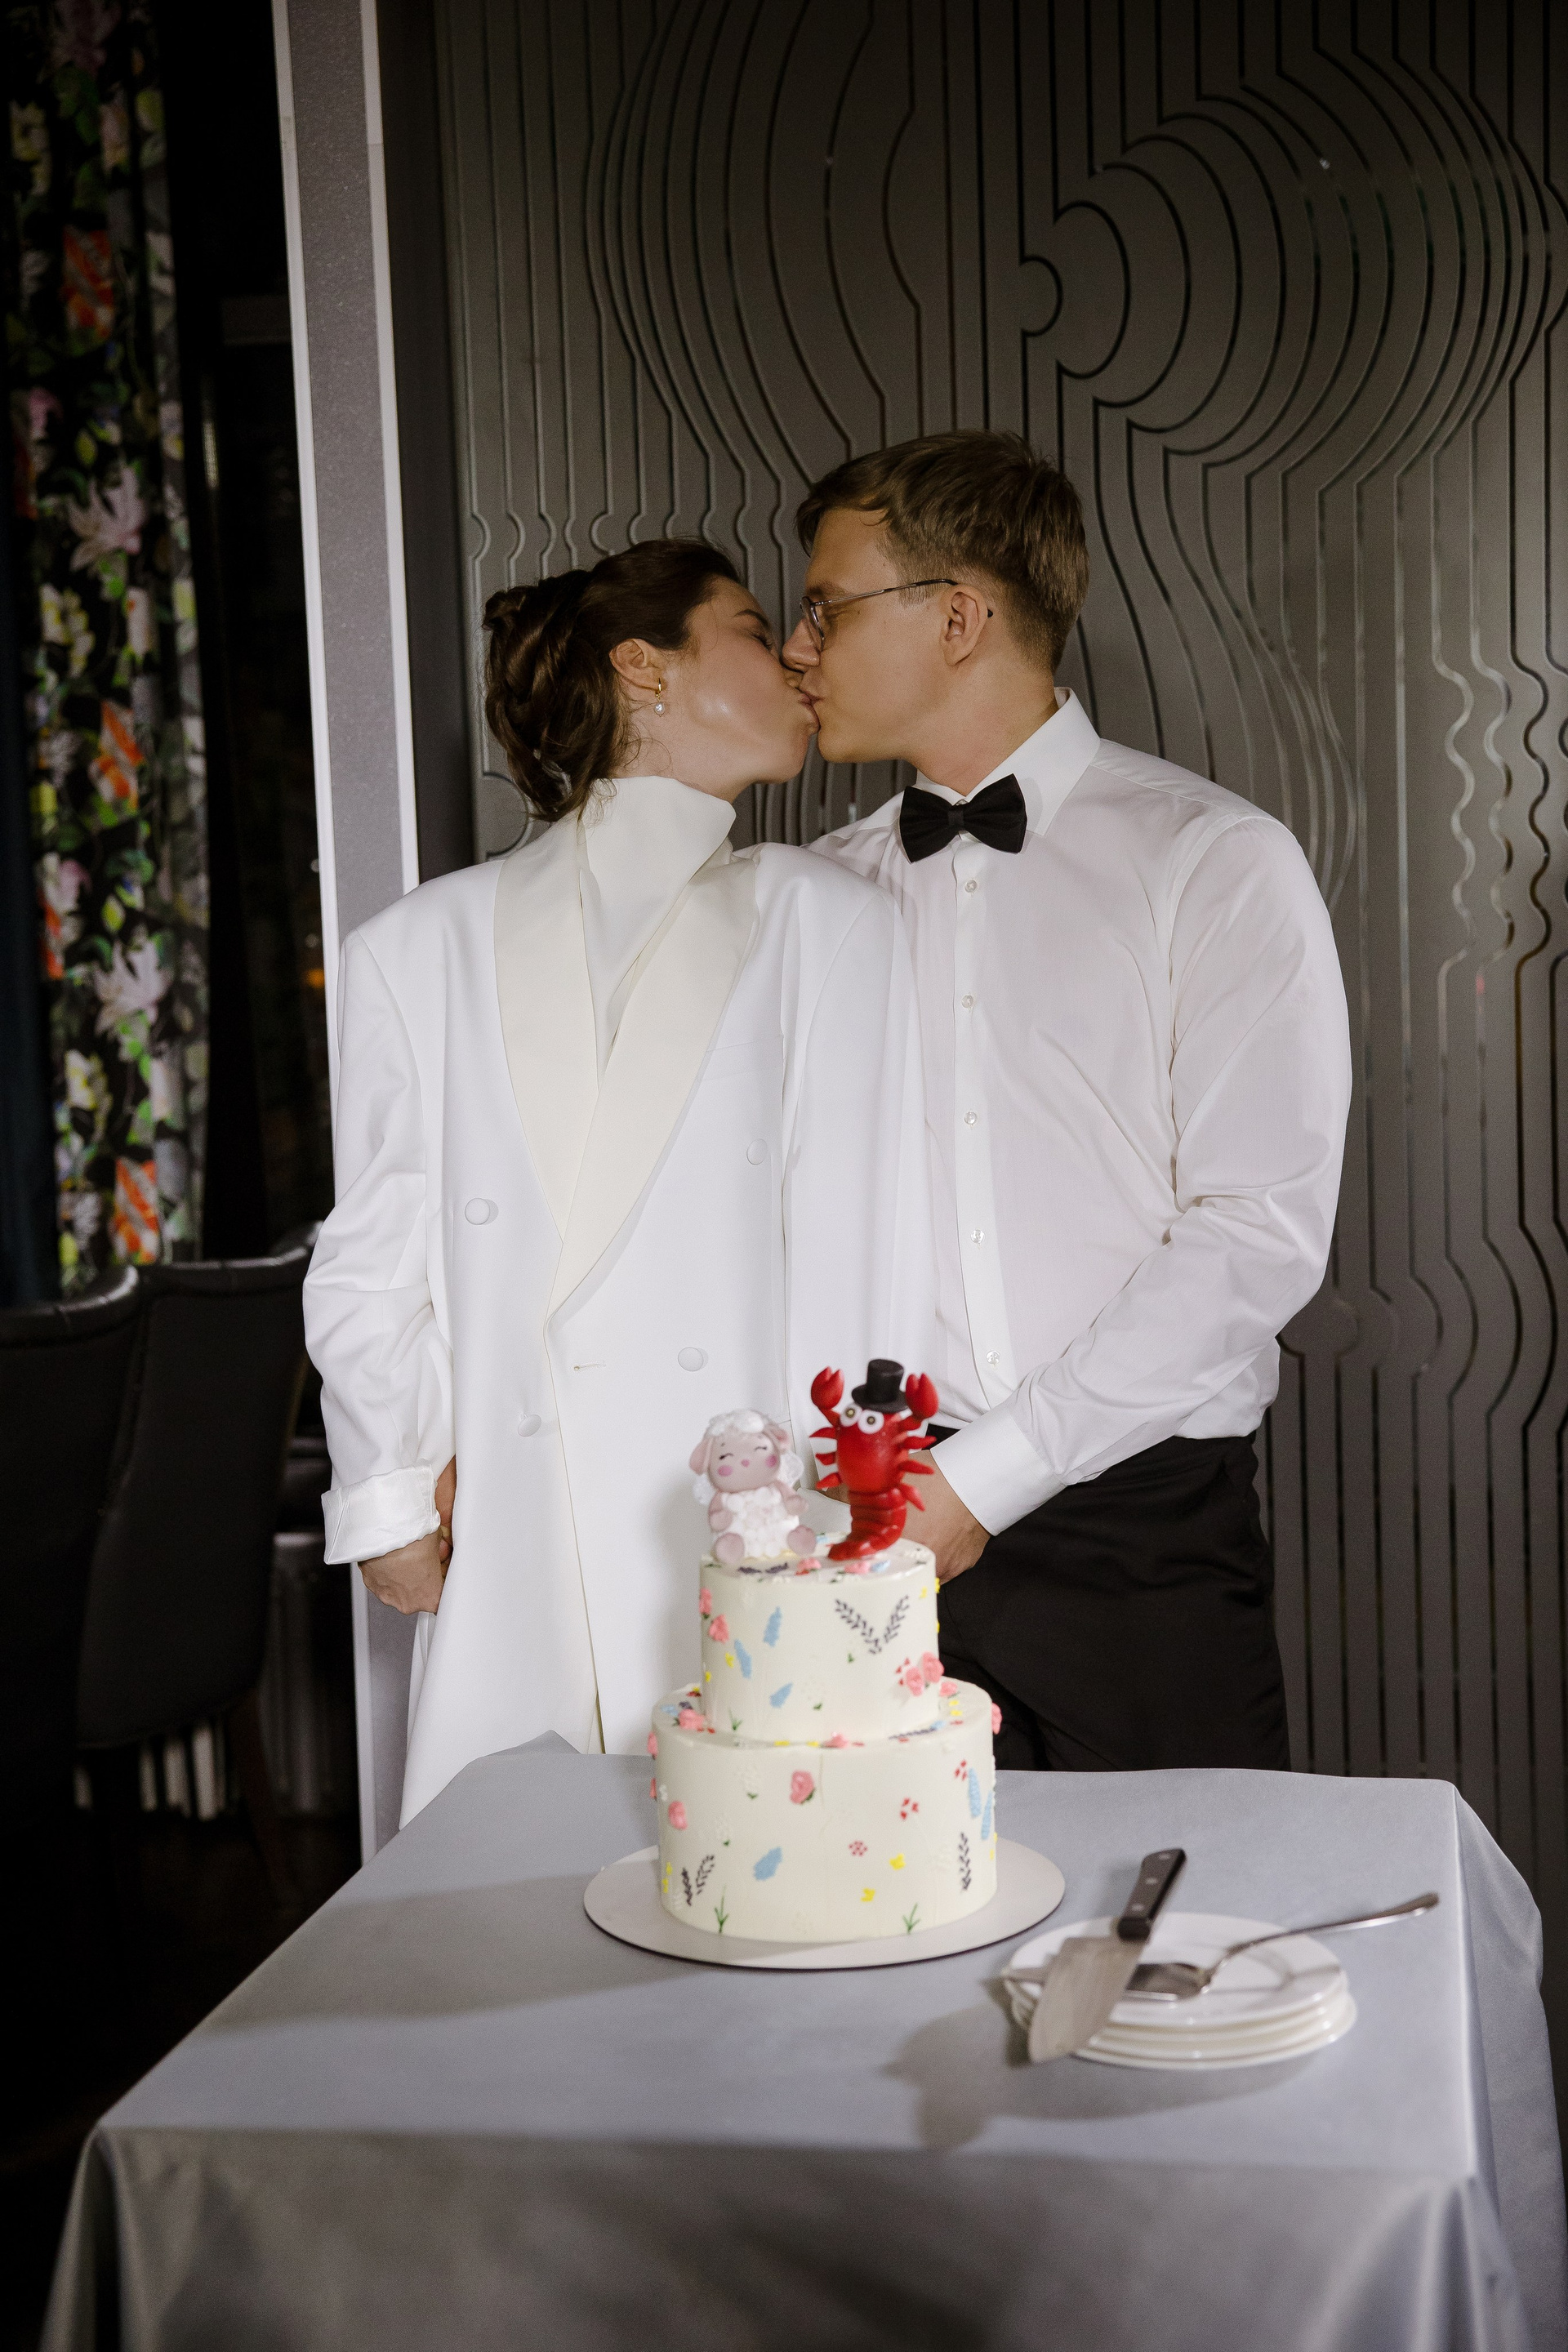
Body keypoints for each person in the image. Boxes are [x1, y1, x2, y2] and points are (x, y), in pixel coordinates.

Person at [305, 541, 933, 1823]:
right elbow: (371, 1255)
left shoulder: (829, 923)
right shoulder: (416, 950)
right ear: (645, 668)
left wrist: (849, 1522)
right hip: (514, 1538)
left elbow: (867, 1253)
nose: (797, 658)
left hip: (748, 1537)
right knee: (513, 1895)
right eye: (752, 628)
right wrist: (387, 1494)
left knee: (750, 1884)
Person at [785, 432, 1352, 1771]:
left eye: (826, 607)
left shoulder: (1215, 862)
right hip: (876, 1529)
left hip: (1142, 1539)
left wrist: (987, 1478)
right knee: (879, 1903)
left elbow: (1257, 1233)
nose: (798, 648)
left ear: (959, 618)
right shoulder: (816, 895)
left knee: (1184, 1901)